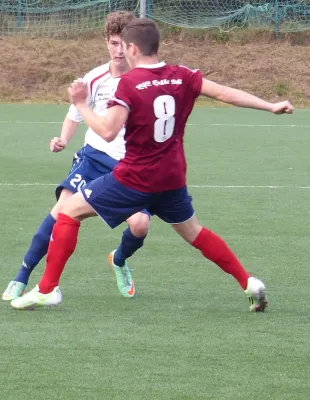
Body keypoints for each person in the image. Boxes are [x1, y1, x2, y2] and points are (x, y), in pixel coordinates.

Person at [11, 18, 294, 312]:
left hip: (134, 178)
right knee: (195, 233)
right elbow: (224, 93)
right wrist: (270, 105)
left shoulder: (129, 84)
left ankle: (47, 289)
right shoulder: (182, 75)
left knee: (68, 212)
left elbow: (107, 130)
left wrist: (81, 104)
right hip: (172, 178)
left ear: (132, 48)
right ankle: (249, 283)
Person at [3, 11, 150, 302]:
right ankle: (22, 276)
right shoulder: (94, 78)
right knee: (61, 210)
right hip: (94, 158)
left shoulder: (145, 80)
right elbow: (74, 114)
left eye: (124, 43)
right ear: (106, 42)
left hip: (128, 167)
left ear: (134, 44)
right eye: (113, 43)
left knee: (140, 225)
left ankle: (119, 260)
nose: (118, 50)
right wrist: (63, 139)